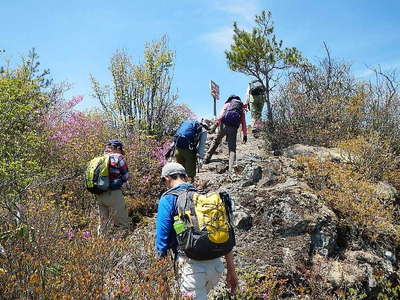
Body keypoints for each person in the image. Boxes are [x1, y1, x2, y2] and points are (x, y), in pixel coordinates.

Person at [155, 162, 238, 299]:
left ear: (167, 178)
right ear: (185, 177)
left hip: (191, 269)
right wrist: (231, 270)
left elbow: (161, 241)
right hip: (216, 266)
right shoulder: (203, 197)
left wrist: (161, 278)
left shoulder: (168, 198)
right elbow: (223, 231)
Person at [96, 139, 130, 236]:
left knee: (103, 224)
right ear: (118, 148)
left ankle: (101, 246)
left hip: (99, 193)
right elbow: (125, 176)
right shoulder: (119, 157)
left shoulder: (100, 158)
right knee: (122, 224)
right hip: (113, 193)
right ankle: (121, 247)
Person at [204, 95, 247, 172]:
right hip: (233, 128)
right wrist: (245, 135)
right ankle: (231, 170)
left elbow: (222, 115)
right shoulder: (241, 108)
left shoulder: (228, 104)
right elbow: (243, 122)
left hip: (223, 125)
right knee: (232, 149)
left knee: (216, 140)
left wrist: (215, 124)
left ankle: (206, 158)